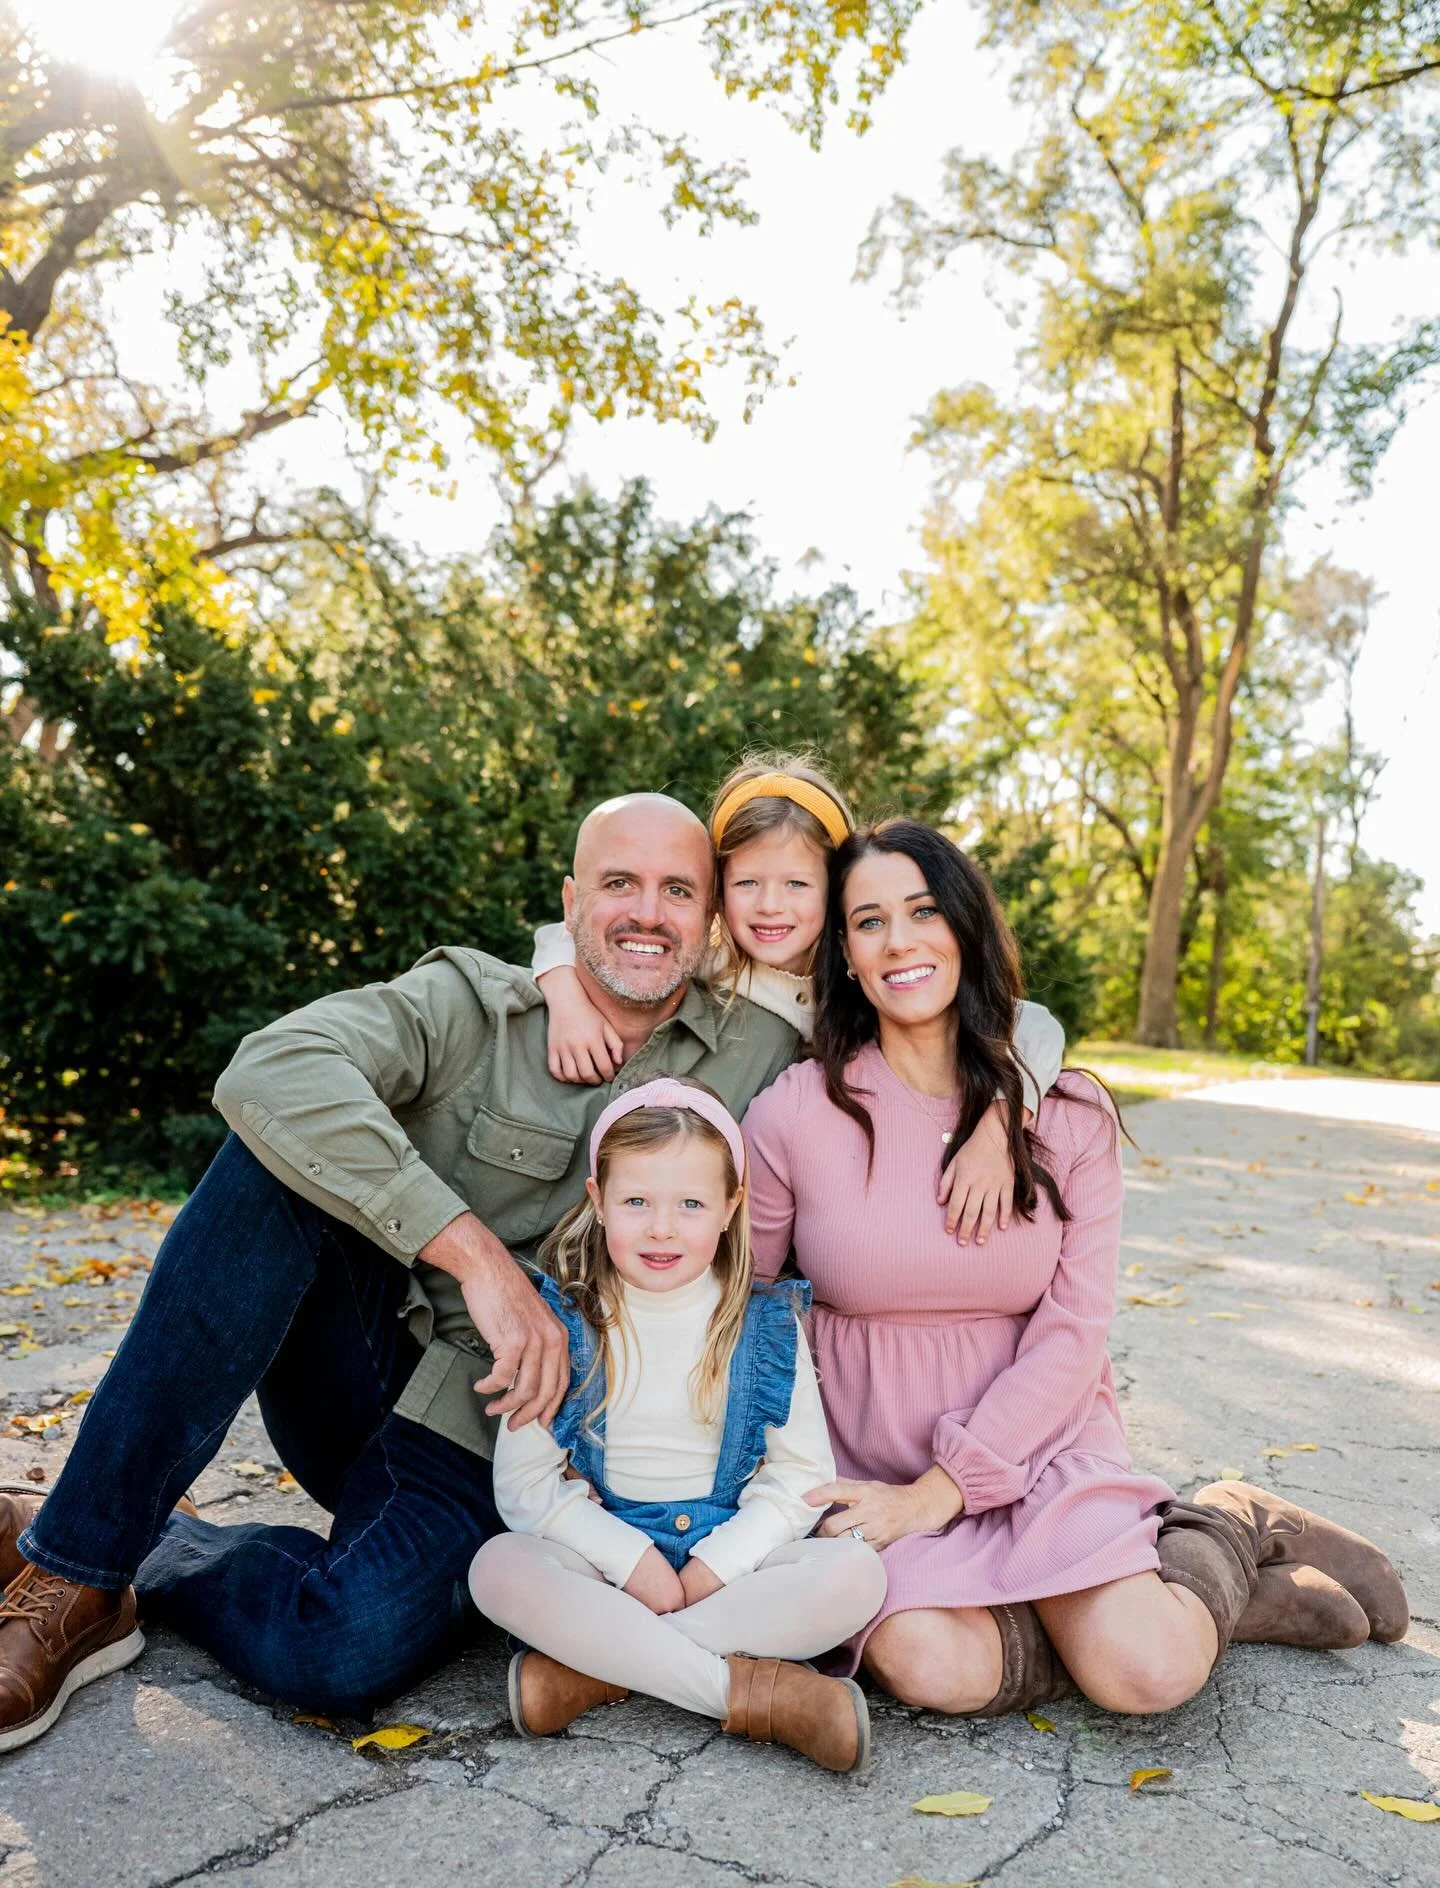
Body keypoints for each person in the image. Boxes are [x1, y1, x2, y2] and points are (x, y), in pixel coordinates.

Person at [0, 793, 809, 1751]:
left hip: (497, 1440)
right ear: (570, 901)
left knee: (337, 1652)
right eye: (618, 883)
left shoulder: (761, 1051)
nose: (646, 911)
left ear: (711, 917)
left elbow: (908, 1015)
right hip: (365, 1367)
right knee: (275, 1154)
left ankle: (156, 1540)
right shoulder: (474, 1004)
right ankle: (79, 1569)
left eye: (677, 890)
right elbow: (272, 1067)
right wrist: (476, 1257)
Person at [743, 820, 1409, 1719]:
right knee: (934, 1668)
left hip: (1041, 1436)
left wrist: (943, 1493)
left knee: (1146, 1676)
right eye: (869, 922)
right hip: (874, 1448)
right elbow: (747, 1303)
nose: (899, 941)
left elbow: (1074, 1331)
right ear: (846, 957)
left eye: (924, 911)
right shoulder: (793, 1112)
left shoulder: (1067, 1114)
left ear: (967, 929)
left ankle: (1228, 1525)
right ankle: (1139, 1607)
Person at [469, 1078, 884, 1773]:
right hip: (607, 1557)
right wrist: (632, 1563)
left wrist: (716, 1567)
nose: (662, 1228)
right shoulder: (558, 1324)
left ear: (730, 1208)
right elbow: (525, 1489)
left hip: (729, 1557)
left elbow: (801, 1477)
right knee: (499, 1569)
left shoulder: (765, 1324)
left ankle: (596, 1669)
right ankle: (757, 1696)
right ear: (598, 1201)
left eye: (691, 1204)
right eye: (636, 1202)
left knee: (855, 1574)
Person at [533, 752, 1065, 1245]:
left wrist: (999, 1128)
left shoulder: (865, 975)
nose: (770, 905)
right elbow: (570, 932)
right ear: (717, 892)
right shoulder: (712, 961)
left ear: (834, 890)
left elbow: (1037, 1027)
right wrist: (564, 992)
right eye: (747, 883)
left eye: (796, 884)